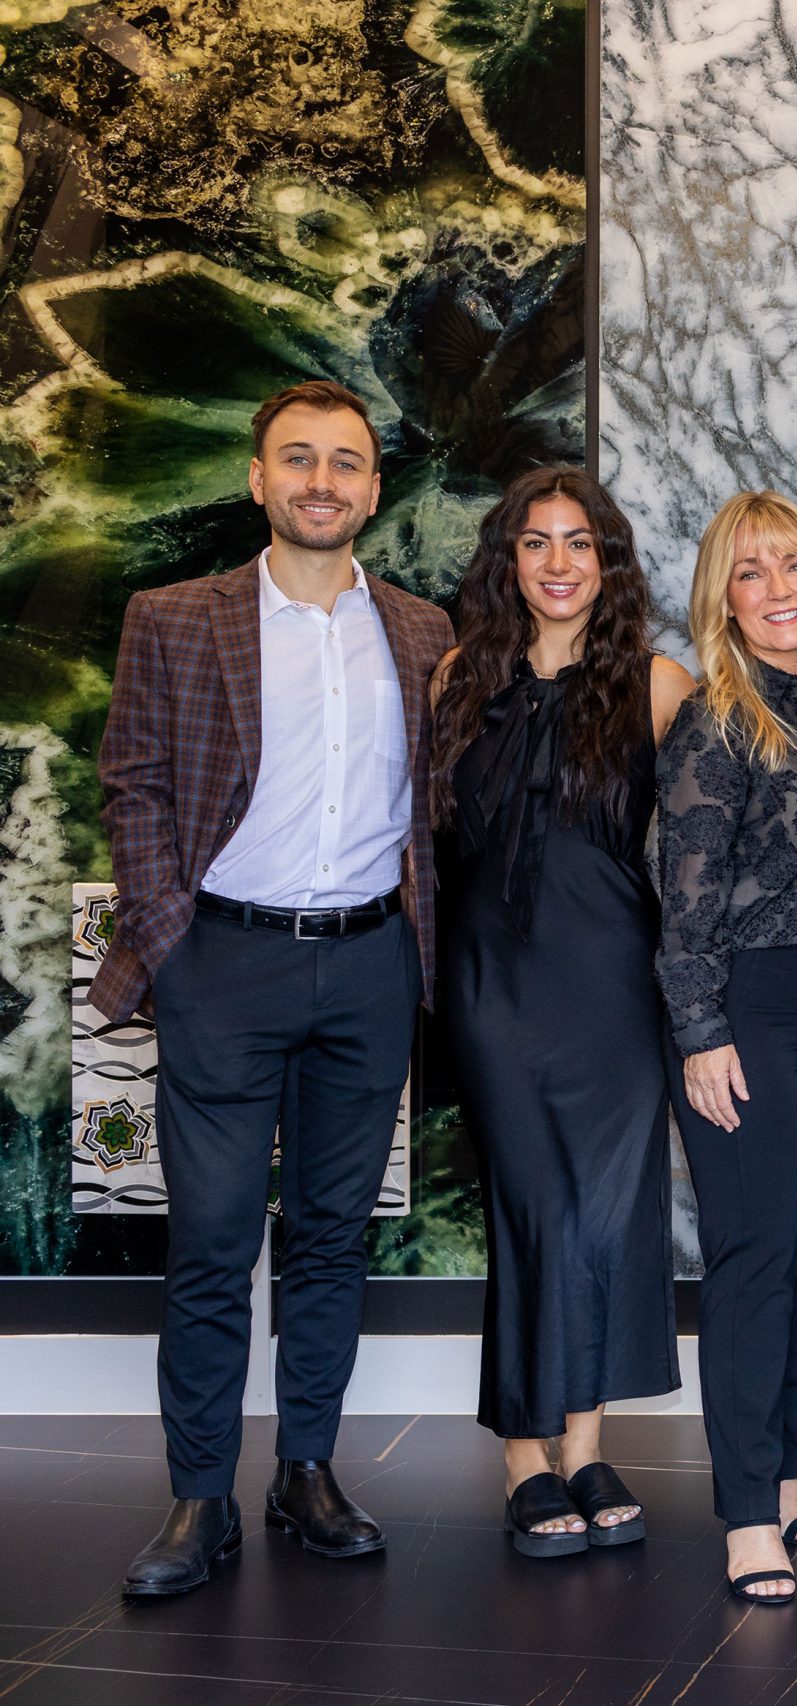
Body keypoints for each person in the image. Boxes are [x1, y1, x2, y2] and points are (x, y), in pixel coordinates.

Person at [97, 380, 454, 1597]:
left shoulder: (422, 630)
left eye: (345, 462)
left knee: (332, 1242)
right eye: (298, 458)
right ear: (258, 478)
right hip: (223, 963)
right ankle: (200, 1495)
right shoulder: (173, 617)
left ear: (373, 487)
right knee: (210, 1243)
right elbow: (133, 784)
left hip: (367, 966)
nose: (321, 481)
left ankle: (307, 1469)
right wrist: (171, 944)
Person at [428, 467, 692, 1559]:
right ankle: (522, 1455)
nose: (557, 562)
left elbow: (702, 855)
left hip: (615, 986)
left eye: (579, 542)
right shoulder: (458, 677)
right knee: (532, 1207)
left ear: (608, 561)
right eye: (534, 542)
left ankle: (583, 1445)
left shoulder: (659, 686)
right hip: (491, 983)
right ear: (509, 560)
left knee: (609, 1213)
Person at [657, 491, 797, 1606]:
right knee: (748, 1256)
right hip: (745, 1008)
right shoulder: (715, 717)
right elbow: (683, 900)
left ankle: (780, 1467)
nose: (779, 589)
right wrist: (700, 1033)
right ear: (722, 596)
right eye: (752, 571)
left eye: (795, 565)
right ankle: (746, 1512)